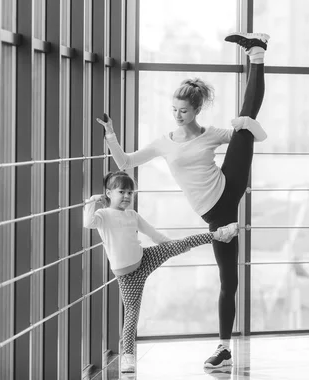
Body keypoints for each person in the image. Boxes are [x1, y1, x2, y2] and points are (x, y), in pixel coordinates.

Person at [96, 32, 270, 368]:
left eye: (184, 110)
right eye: (174, 110)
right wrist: (111, 134)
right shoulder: (165, 142)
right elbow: (126, 163)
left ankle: (257, 54)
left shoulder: (213, 135)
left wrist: (249, 125)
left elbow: (257, 137)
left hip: (227, 189)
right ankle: (258, 52)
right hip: (216, 211)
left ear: (196, 109)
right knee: (229, 279)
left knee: (246, 120)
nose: (177, 115)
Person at [83, 171, 239, 374]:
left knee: (183, 243)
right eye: (122, 191)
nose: (127, 196)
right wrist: (92, 202)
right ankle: (127, 358)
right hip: (128, 276)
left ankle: (219, 234)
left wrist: (174, 246)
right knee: (131, 316)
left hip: (145, 258)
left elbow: (154, 235)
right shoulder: (103, 215)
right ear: (108, 193)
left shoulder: (133, 215)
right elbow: (88, 223)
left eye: (131, 192)